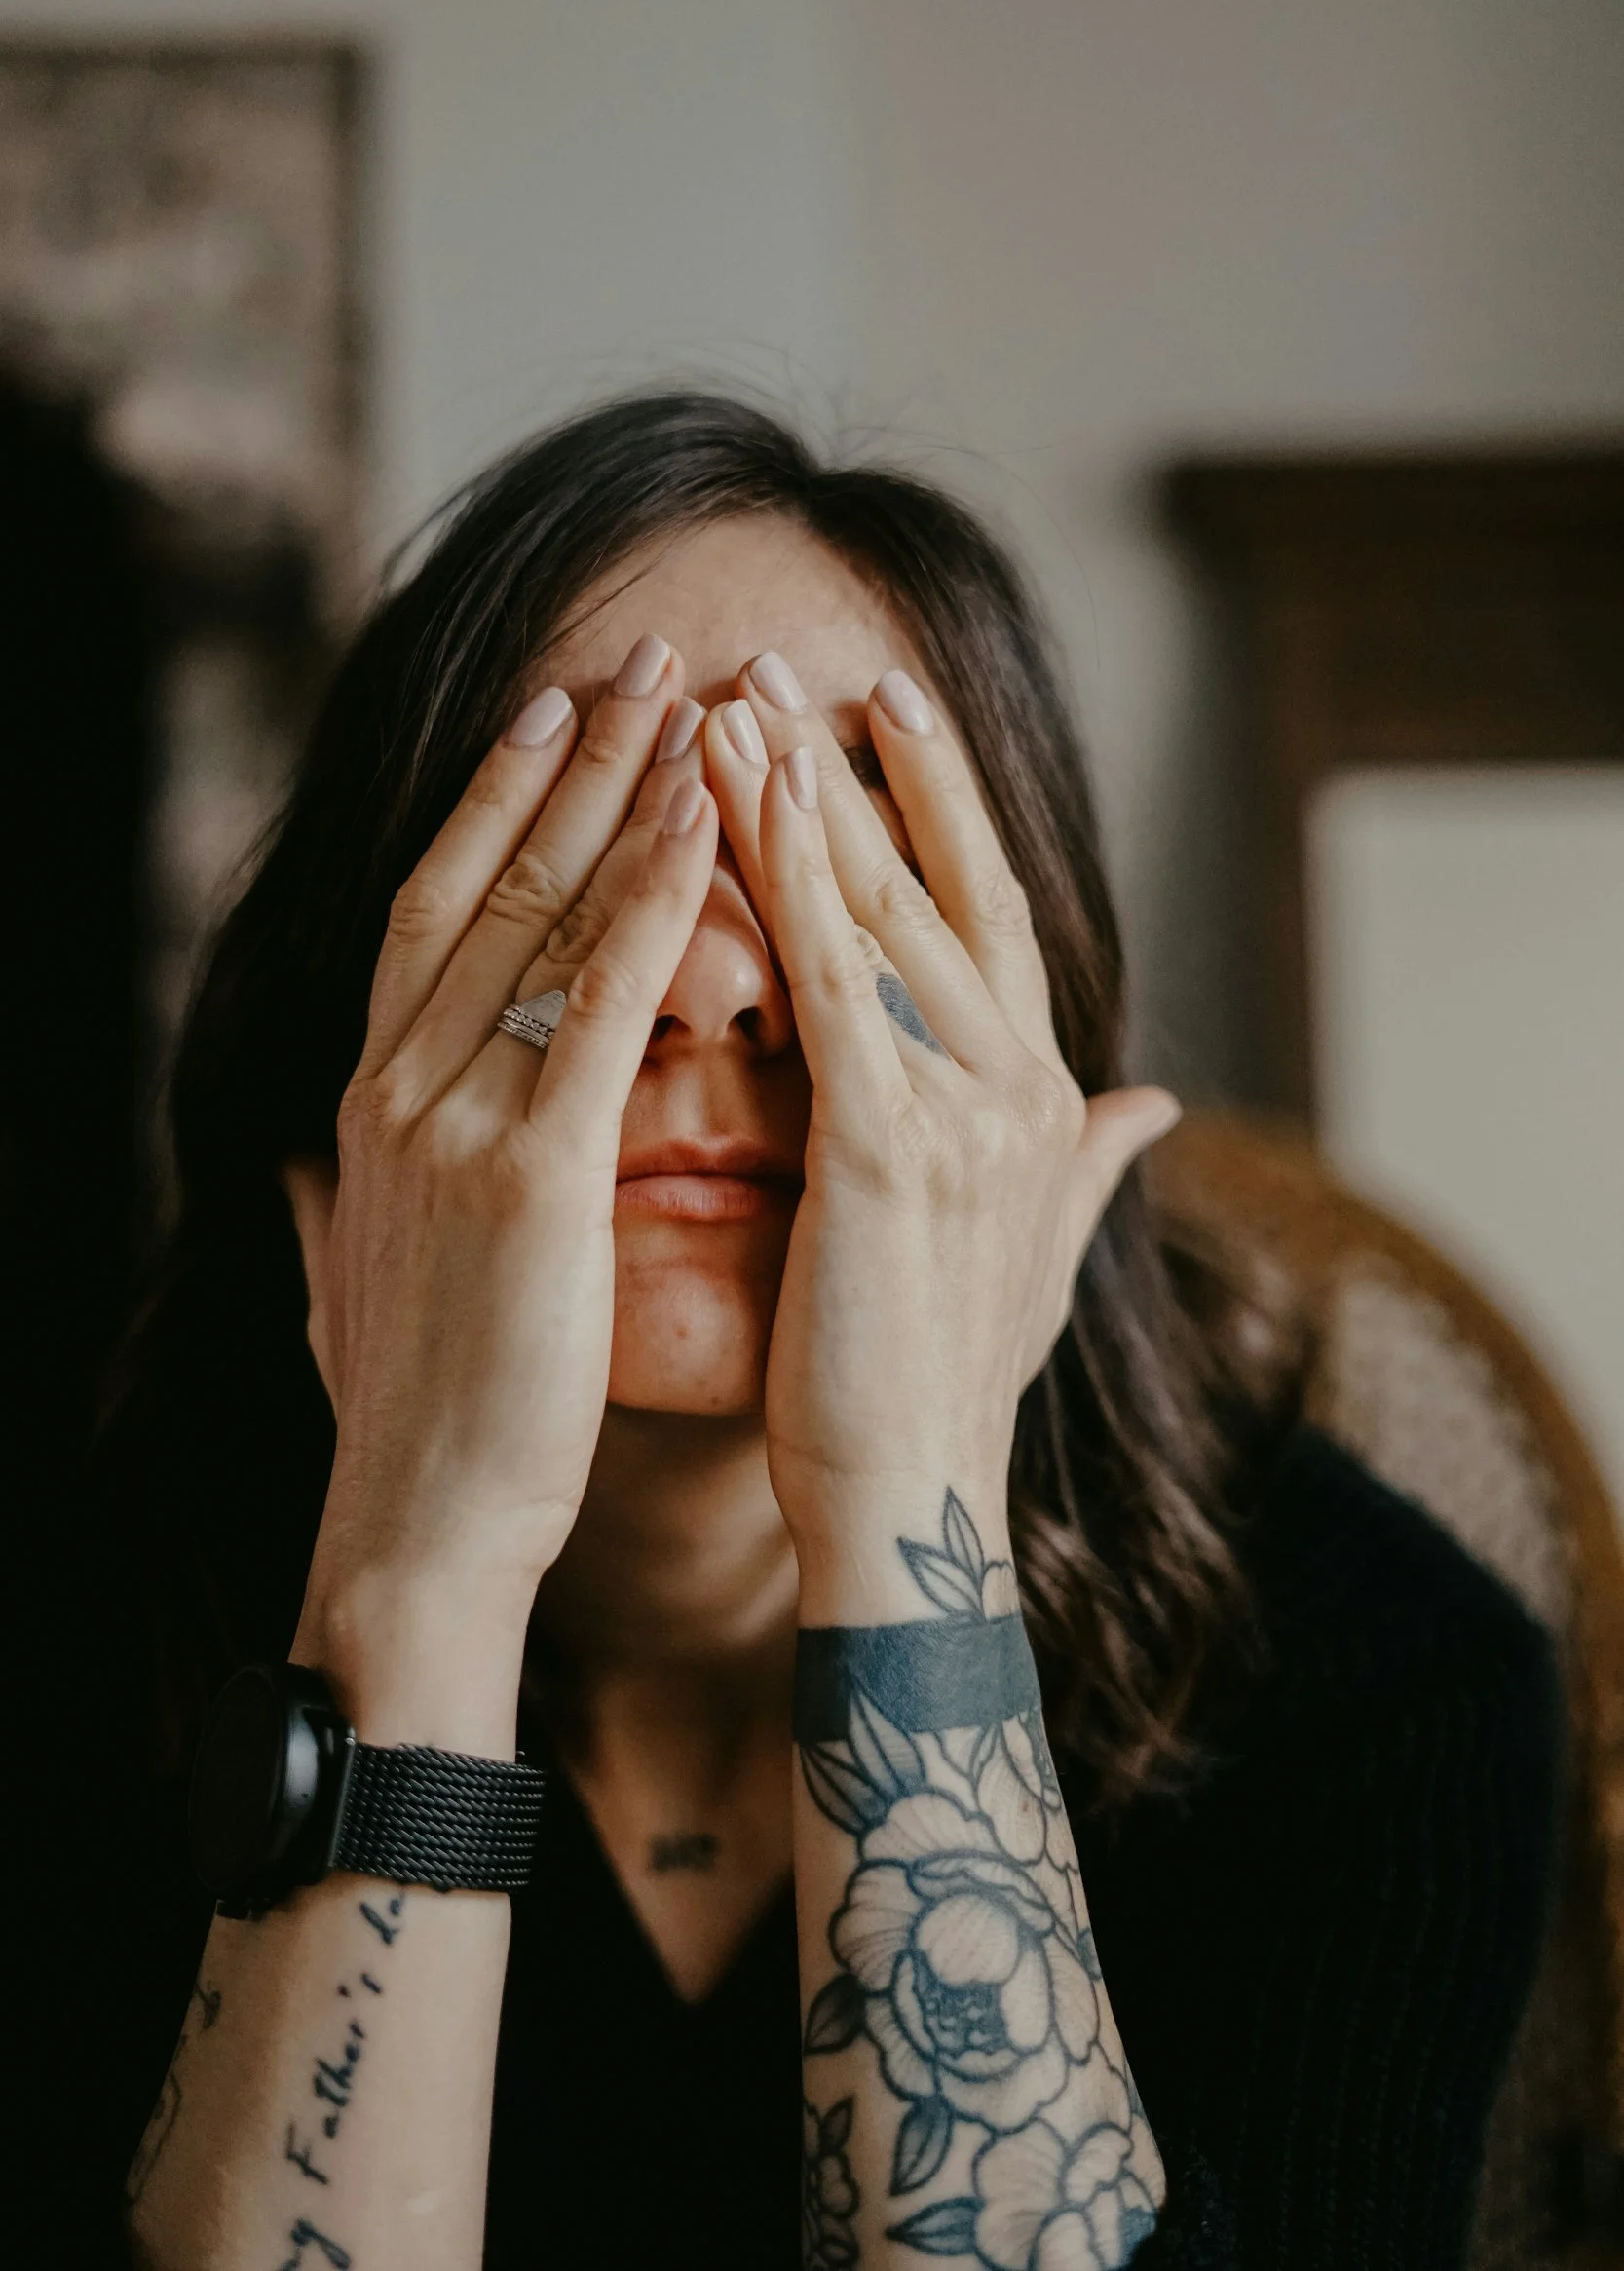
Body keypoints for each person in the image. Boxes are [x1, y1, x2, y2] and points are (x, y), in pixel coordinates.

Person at [89, 394, 1554, 2271]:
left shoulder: (1375, 1683)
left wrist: (901, 1508)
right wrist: (419, 1565)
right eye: (589, 832)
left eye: (844, 858)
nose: (705, 983)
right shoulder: (71, 1621)